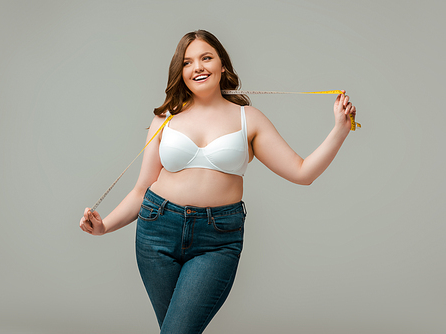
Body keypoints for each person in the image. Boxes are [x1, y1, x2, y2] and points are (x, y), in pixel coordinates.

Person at [80, 30, 356, 334]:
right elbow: (141, 190)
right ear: (180, 72)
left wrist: (339, 130)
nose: (197, 66)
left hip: (217, 240)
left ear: (222, 65)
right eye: (188, 62)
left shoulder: (248, 119)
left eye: (206, 57)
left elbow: (302, 173)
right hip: (156, 232)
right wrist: (104, 226)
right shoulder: (165, 120)